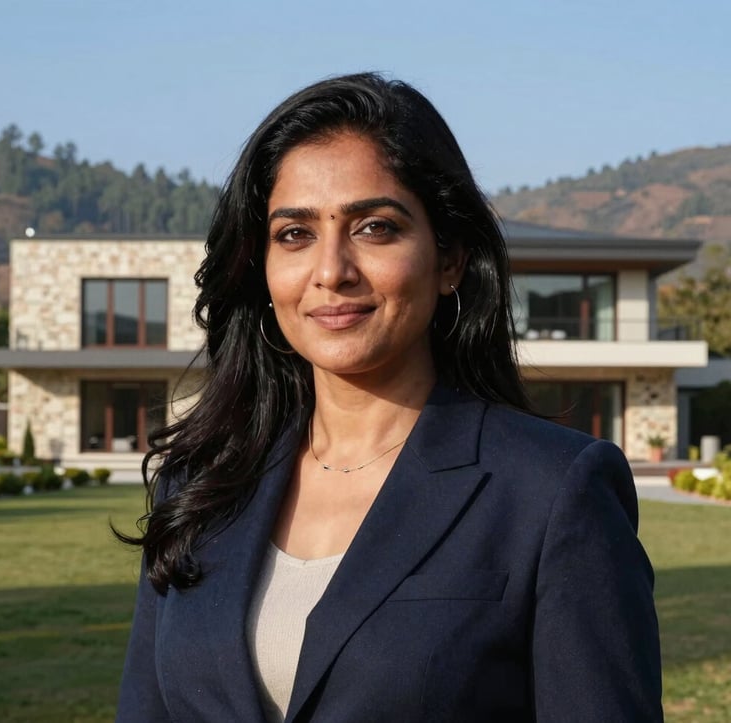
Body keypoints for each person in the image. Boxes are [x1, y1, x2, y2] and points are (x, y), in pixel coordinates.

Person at [116, 72, 662, 722]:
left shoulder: (552, 491)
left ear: (450, 258)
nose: (331, 270)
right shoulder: (199, 484)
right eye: (295, 233)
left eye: (375, 227)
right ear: (260, 268)